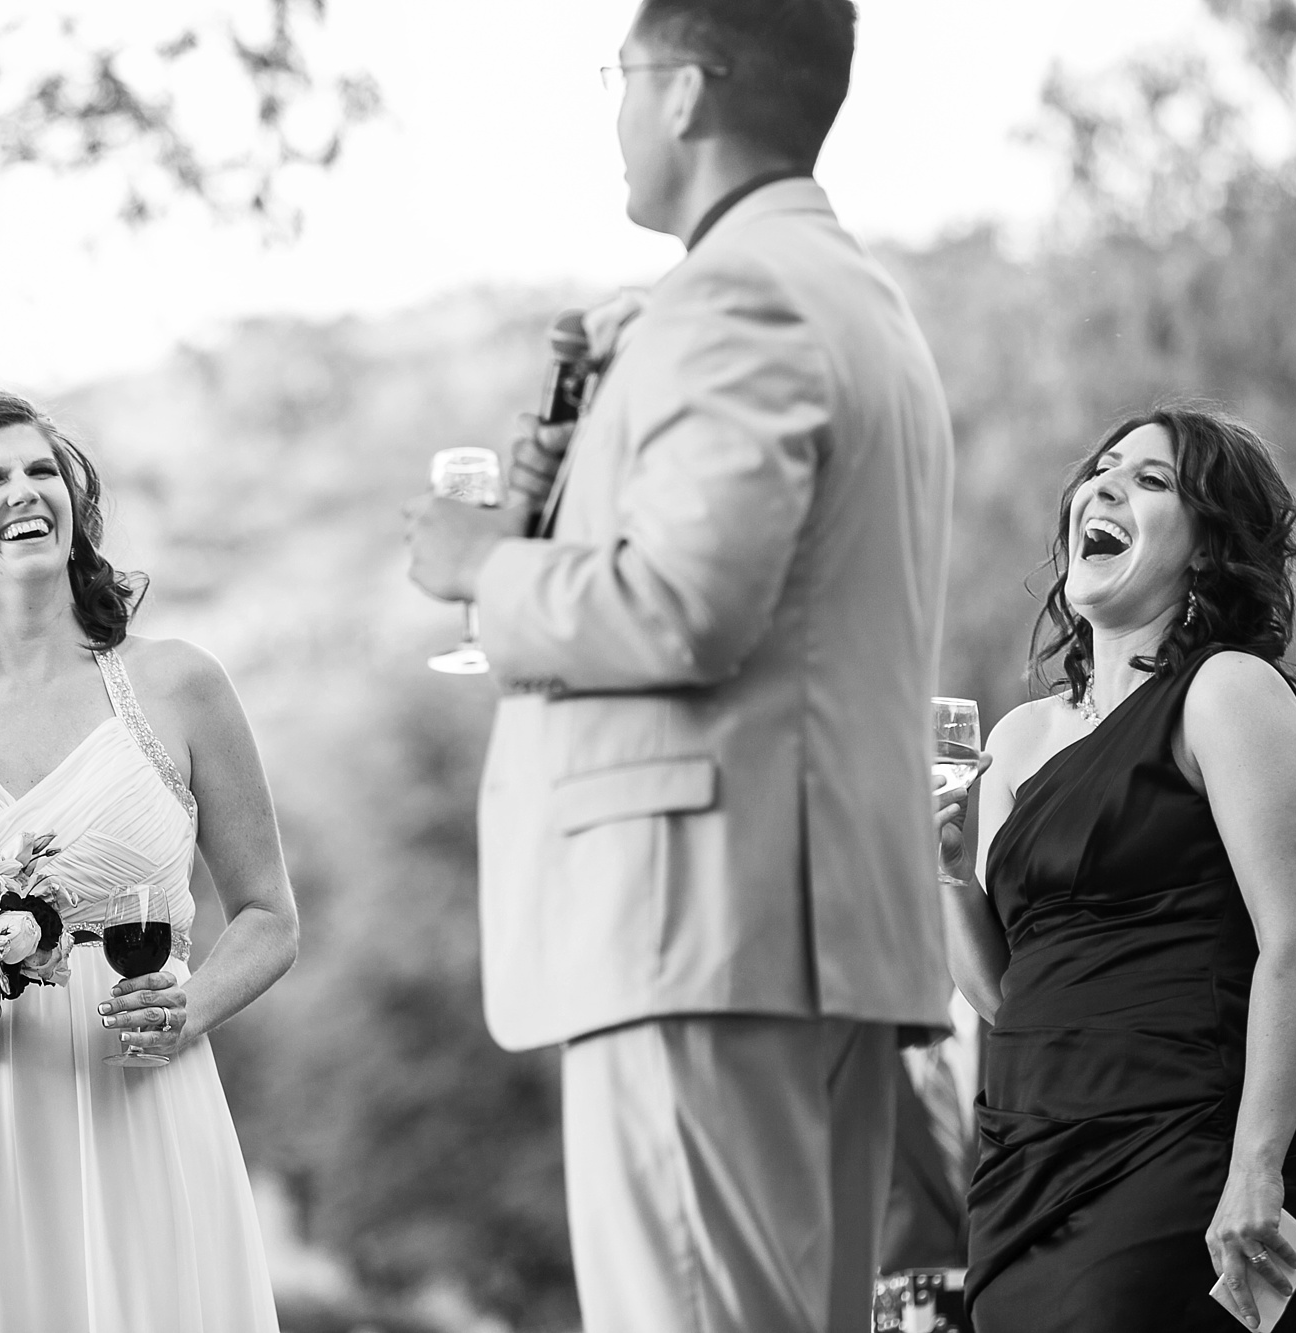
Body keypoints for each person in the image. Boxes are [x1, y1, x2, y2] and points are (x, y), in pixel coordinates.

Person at [404, 1, 954, 1329]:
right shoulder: (859, 298)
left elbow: (680, 609)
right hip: (806, 922)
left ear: (689, 89)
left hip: (698, 917)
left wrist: (484, 567)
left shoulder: (733, 296)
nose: (617, 114)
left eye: (622, 78)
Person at [0, 389, 298, 1332]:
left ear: (74, 507)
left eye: (41, 469)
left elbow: (270, 916)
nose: (24, 489)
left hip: (136, 1090)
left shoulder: (180, 682)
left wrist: (191, 1006)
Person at [936, 405, 1296, 1332]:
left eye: (1152, 480)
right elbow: (1004, 994)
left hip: (1176, 1159)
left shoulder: (1227, 691)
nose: (1105, 488)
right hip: (1022, 1174)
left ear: (1206, 549)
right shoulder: (1018, 739)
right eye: (1103, 471)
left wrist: (1255, 1169)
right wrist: (951, 878)